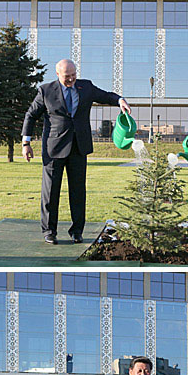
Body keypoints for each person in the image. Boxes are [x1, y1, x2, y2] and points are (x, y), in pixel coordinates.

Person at [21, 58, 131, 244]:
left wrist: (120, 100)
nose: (71, 79)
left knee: (78, 192)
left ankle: (77, 231)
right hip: (53, 149)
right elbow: (31, 115)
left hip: (79, 147)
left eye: (73, 75)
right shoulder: (46, 90)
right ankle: (49, 231)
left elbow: (105, 96)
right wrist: (26, 143)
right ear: (57, 74)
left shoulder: (85, 87)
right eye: (67, 76)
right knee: (50, 192)